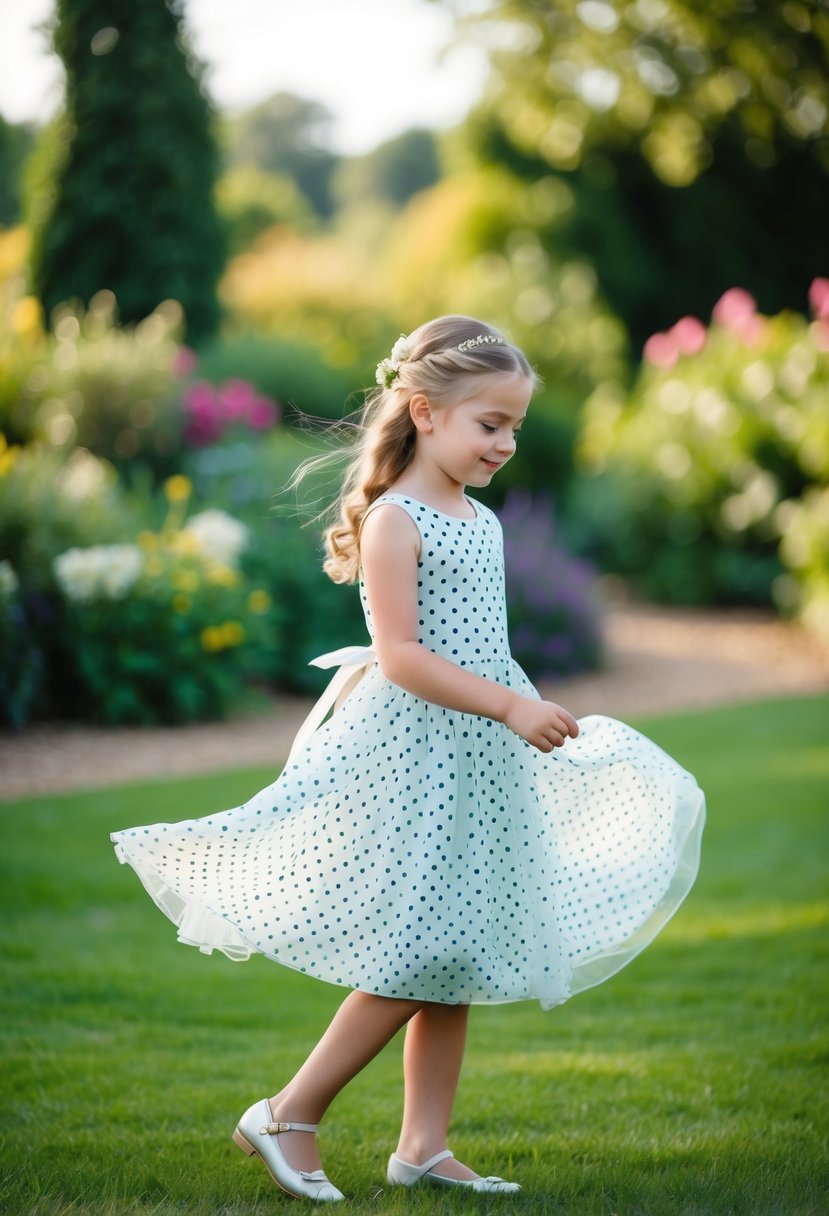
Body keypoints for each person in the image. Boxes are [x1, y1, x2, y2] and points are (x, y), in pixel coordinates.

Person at [111, 315, 705, 1203]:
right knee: (415, 948)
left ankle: (422, 1144)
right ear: (424, 413)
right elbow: (401, 655)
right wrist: (507, 702)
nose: (503, 443)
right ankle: (285, 1114)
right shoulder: (397, 521)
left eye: (513, 426)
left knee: (458, 949)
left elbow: (482, 644)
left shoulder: (483, 521)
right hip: (416, 758)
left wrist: (518, 707)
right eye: (488, 423)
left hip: (479, 760)